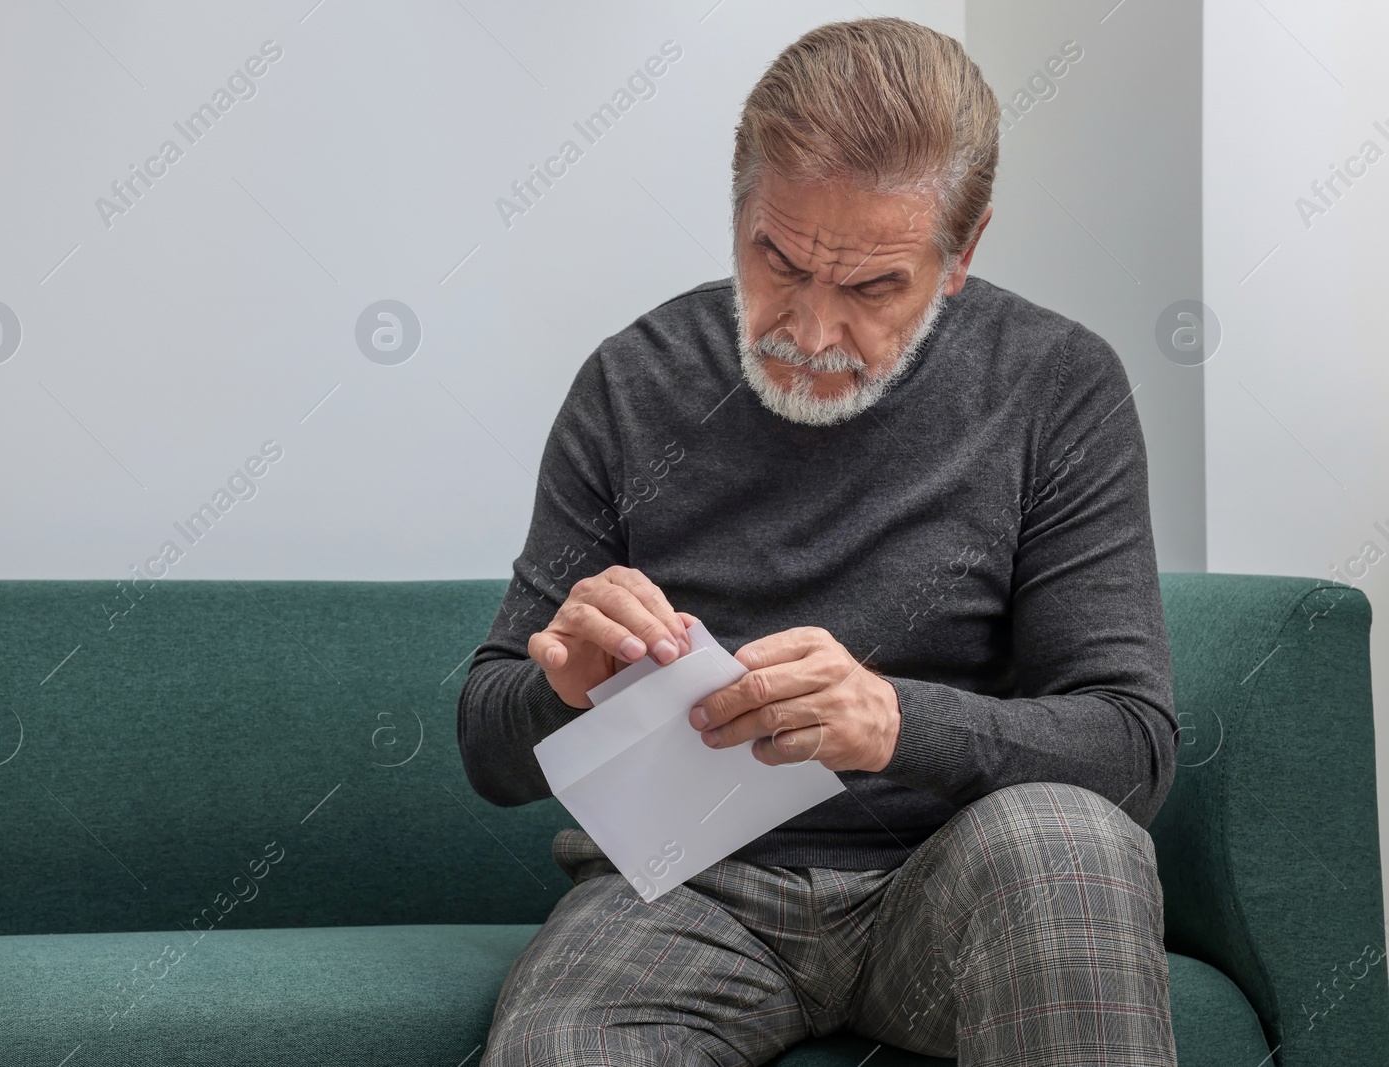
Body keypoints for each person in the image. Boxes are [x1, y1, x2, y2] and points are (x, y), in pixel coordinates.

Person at [457, 16, 1179, 1066]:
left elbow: (1130, 748)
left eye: (872, 285)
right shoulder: (632, 381)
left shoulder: (1055, 388)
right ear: (740, 210)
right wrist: (558, 687)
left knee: (1070, 844)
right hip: (684, 889)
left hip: (955, 882)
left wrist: (894, 721)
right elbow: (488, 752)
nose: (809, 326)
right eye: (778, 260)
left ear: (960, 254)